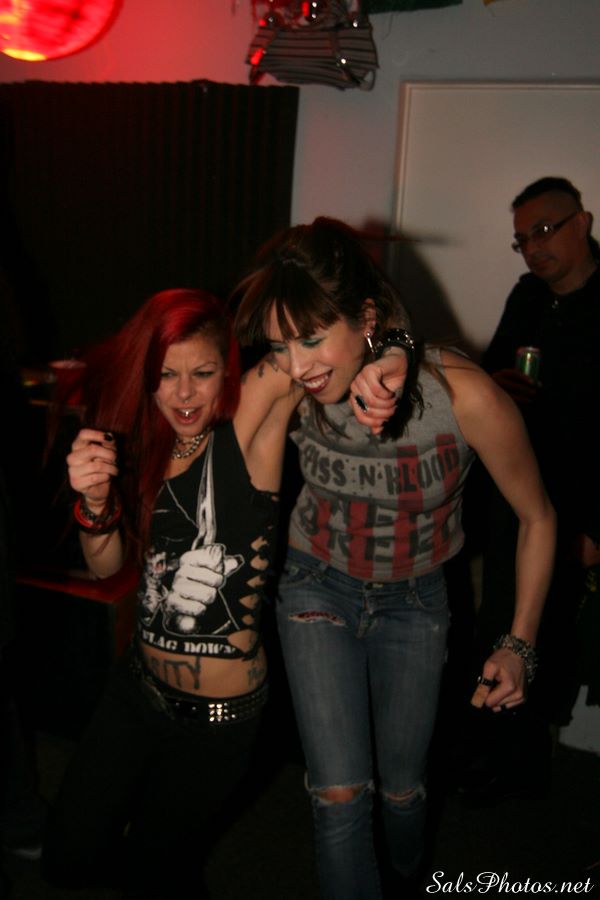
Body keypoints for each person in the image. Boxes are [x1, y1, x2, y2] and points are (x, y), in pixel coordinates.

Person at [232, 217, 557, 900]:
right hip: (314, 585)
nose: (297, 365)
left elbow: (538, 517)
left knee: (404, 791)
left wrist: (518, 645)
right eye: (280, 345)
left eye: (311, 339)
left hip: (416, 602)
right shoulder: (288, 378)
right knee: (338, 795)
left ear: (367, 317)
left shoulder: (463, 396)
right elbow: (219, 466)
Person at [40, 287, 403, 899]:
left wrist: (393, 350)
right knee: (65, 858)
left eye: (203, 374)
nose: (184, 394)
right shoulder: (142, 439)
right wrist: (95, 502)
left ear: (228, 370)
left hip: (217, 725)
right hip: (136, 692)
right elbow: (107, 568)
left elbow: (328, 346)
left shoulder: (252, 416)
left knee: (153, 869)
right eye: (166, 375)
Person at [461, 176, 600, 800]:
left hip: (577, 503)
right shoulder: (527, 295)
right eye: (522, 239)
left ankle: (525, 761)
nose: (533, 248)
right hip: (515, 492)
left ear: (582, 223)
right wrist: (497, 383)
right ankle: (494, 751)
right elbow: (491, 368)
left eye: (543, 231)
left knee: (555, 630)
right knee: (499, 616)